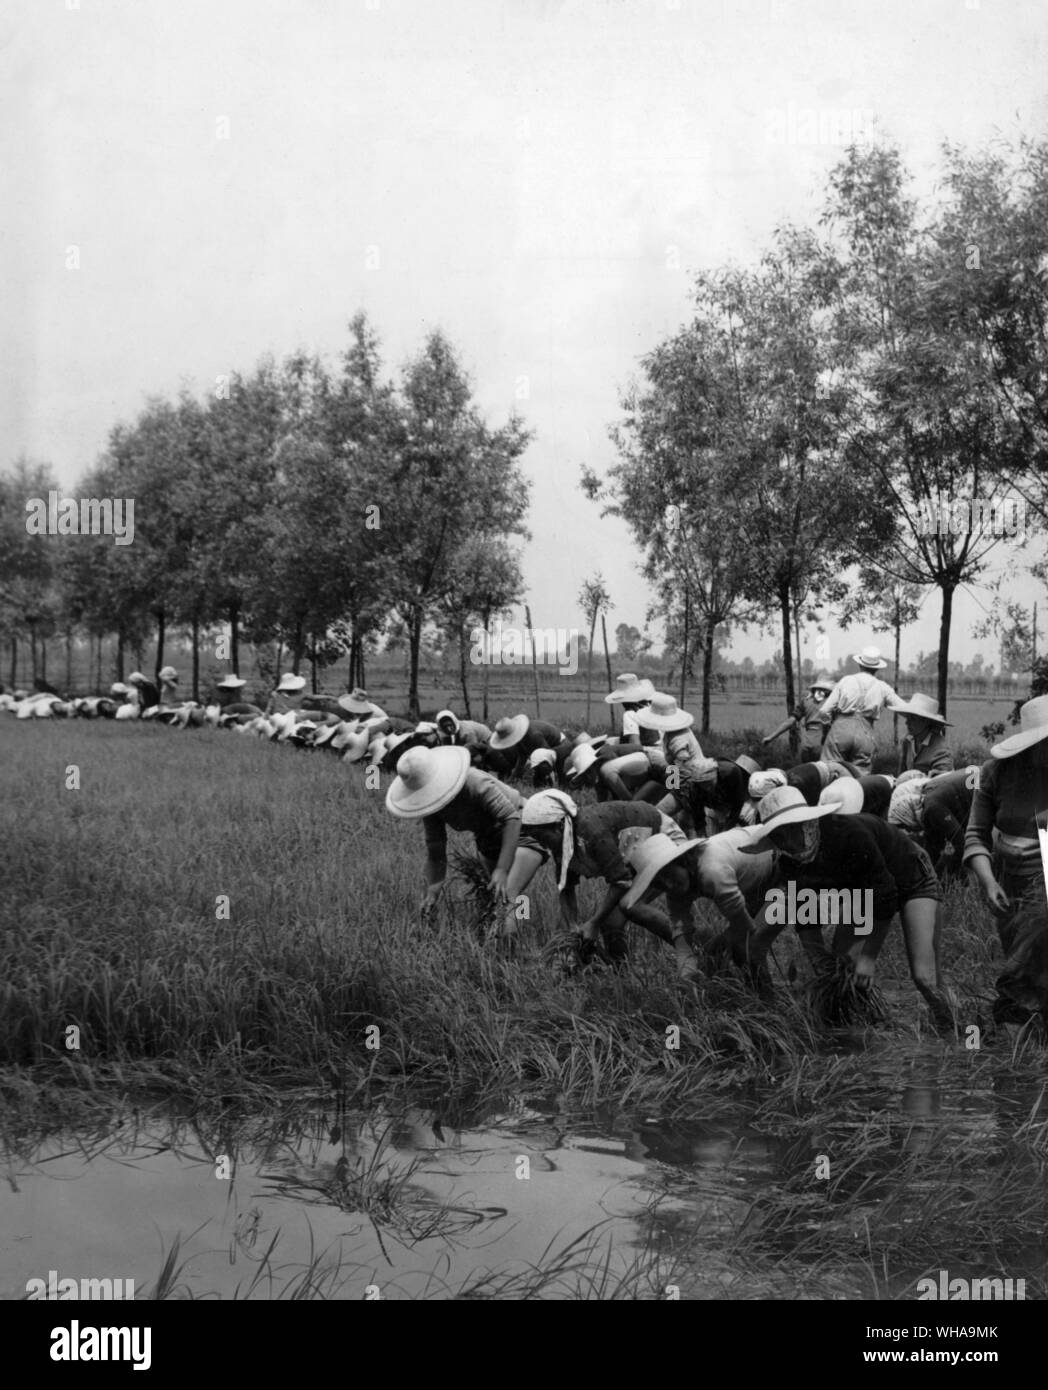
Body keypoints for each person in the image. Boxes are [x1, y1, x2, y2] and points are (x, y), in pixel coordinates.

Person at [747, 785, 955, 1028]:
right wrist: (819, 962)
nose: (787, 841)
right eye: (779, 836)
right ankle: (857, 1027)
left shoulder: (848, 833)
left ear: (806, 822)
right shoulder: (790, 862)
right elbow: (806, 914)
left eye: (790, 831)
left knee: (925, 977)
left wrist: (868, 957)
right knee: (842, 968)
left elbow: (885, 895)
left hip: (911, 876)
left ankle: (957, 1028)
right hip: (862, 893)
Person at [513, 793, 700, 980]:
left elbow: (621, 881)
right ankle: (621, 976)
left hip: (658, 838)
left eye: (542, 836)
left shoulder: (592, 832)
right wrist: (572, 927)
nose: (542, 843)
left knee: (632, 907)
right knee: (611, 922)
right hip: (631, 851)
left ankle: (695, 949)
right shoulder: (562, 843)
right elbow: (566, 887)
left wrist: (593, 923)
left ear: (559, 826)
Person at [386, 745, 528, 945]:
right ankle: (500, 943)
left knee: (512, 894)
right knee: (496, 897)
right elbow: (436, 853)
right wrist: (432, 891)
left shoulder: (475, 782)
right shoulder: (431, 806)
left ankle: (517, 943)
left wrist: (502, 869)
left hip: (522, 825)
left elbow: (511, 819)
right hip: (487, 837)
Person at [963, 697, 1048, 1024]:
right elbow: (975, 834)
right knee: (1021, 961)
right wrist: (988, 882)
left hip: (1043, 885)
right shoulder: (995, 772)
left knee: (1024, 970)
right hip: (1008, 884)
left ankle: (1014, 1025)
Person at [622, 824, 781, 990]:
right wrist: (686, 981)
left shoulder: (713, 872)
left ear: (683, 861)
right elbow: (682, 938)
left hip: (785, 868)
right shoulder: (676, 890)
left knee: (747, 946)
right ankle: (742, 993)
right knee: (721, 949)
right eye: (659, 883)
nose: (668, 884)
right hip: (753, 884)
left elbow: (745, 929)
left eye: (669, 875)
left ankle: (765, 1004)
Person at [818, 646, 900, 773]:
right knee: (860, 778)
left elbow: (824, 711)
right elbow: (903, 707)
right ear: (877, 668)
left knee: (829, 771)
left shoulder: (846, 681)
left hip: (840, 731)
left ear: (860, 664)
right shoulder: (883, 687)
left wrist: (827, 729)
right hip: (865, 734)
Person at [888, 767, 978, 879]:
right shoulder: (928, 804)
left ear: (908, 816)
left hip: (984, 783)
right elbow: (932, 847)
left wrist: (949, 877)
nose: (909, 832)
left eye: (906, 827)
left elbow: (960, 841)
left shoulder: (931, 809)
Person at [762, 674, 834, 761]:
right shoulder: (831, 703)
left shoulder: (806, 701)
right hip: (822, 744)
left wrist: (771, 737)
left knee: (807, 772)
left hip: (805, 744)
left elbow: (790, 721)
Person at [891, 693, 954, 776]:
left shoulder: (941, 749)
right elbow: (902, 772)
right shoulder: (908, 741)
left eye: (913, 719)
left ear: (926, 721)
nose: (907, 722)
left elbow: (943, 782)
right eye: (908, 718)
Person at [488, 713, 567, 777]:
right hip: (549, 749)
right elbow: (522, 756)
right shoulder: (520, 738)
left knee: (542, 765)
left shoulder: (533, 735)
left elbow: (548, 755)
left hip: (561, 746)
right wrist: (514, 777)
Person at [604, 673, 656, 743]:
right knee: (610, 741)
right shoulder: (650, 706)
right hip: (657, 745)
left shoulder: (630, 714)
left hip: (645, 748)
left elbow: (635, 743)